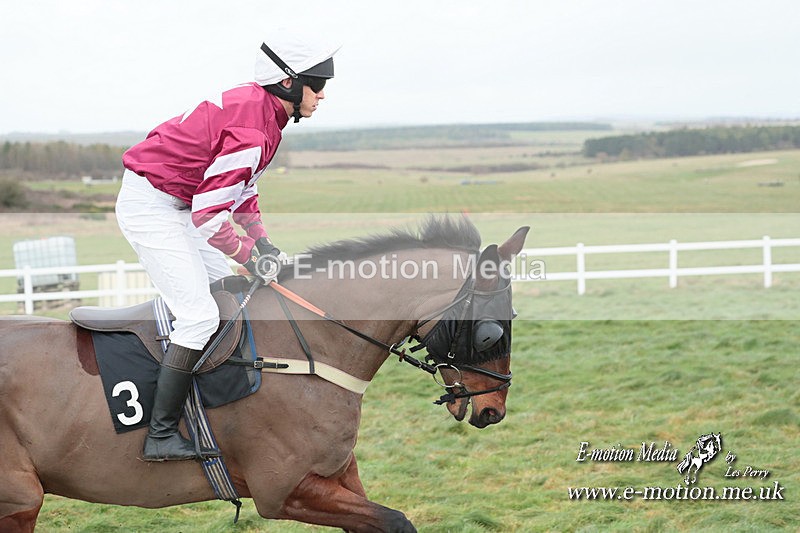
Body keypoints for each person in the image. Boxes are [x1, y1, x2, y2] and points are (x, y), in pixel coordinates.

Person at [115, 31, 340, 461]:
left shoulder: (266, 117)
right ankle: (160, 433)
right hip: (154, 205)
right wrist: (248, 257)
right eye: (319, 84)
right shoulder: (255, 130)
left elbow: (242, 194)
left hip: (182, 201)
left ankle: (213, 403)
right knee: (199, 316)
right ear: (289, 83)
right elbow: (209, 216)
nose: (324, 95)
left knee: (231, 303)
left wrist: (263, 243)